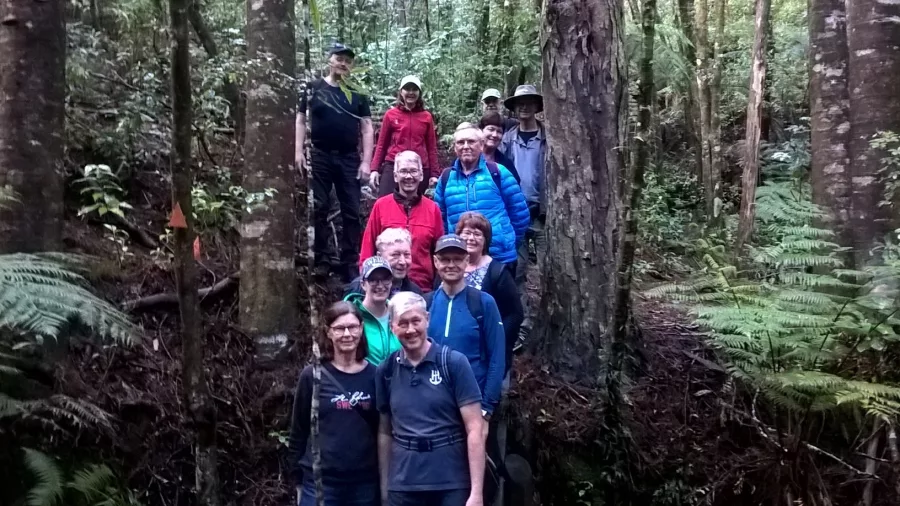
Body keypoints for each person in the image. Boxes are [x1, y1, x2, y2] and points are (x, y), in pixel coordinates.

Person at [376, 291, 486, 506]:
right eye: (403, 323)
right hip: (404, 482)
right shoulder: (386, 370)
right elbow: (384, 431)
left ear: (427, 319)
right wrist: (385, 488)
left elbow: (475, 428)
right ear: (393, 327)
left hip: (451, 480)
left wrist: (476, 492)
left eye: (416, 321)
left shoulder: (453, 363)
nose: (410, 330)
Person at [288, 301, 379, 506]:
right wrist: (297, 479)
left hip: (364, 483)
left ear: (361, 329)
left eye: (352, 327)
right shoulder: (313, 375)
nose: (347, 334)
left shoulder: (375, 375)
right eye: (339, 328)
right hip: (320, 482)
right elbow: (298, 430)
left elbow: (383, 430)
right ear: (328, 333)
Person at [296, 43, 374, 282]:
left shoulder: (358, 93)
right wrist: (298, 151)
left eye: (348, 61)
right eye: (339, 58)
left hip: (349, 157)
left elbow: (367, 127)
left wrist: (366, 162)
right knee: (318, 206)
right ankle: (322, 259)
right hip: (319, 154)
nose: (343, 63)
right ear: (329, 60)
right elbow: (300, 119)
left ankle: (349, 261)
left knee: (351, 209)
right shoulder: (313, 88)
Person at [426, 234, 505, 421]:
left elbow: (497, 356)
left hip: (473, 404)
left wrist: (487, 408)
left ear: (467, 261)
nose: (451, 265)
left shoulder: (483, 303)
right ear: (435, 262)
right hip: (433, 404)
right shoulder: (426, 303)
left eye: (457, 259)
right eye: (445, 259)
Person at [434, 124, 530, 266]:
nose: (466, 146)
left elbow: (520, 214)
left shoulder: (498, 172)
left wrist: (506, 240)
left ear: (481, 145)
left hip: (499, 256)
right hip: (460, 257)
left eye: (471, 141)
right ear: (455, 147)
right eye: (461, 142)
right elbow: (439, 217)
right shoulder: (446, 178)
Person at [500, 84, 547, 348]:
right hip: (514, 214)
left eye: (529, 102)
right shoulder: (507, 140)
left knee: (552, 269)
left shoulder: (549, 138)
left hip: (543, 212)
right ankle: (523, 325)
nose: (524, 107)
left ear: (536, 106)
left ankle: (549, 320)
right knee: (517, 270)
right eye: (520, 103)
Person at [360, 151, 444, 291]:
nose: (409, 176)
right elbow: (367, 249)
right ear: (395, 176)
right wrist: (365, 279)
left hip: (423, 288)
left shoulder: (432, 209)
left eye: (413, 171)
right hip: (386, 287)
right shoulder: (381, 206)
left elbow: (439, 252)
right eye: (403, 171)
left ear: (421, 175)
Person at [456, 212, 522, 376]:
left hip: (487, 355)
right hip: (456, 350)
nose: (471, 238)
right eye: (467, 233)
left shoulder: (498, 272)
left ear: (485, 240)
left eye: (477, 234)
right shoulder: (449, 268)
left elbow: (515, 314)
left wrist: (497, 341)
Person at [370, 76, 441, 197]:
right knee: (386, 202)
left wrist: (434, 174)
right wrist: (374, 169)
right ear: (401, 92)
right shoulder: (391, 115)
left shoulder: (426, 117)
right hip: (393, 164)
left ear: (419, 93)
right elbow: (382, 144)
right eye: (407, 89)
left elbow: (431, 147)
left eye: (414, 89)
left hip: (419, 167)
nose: (411, 93)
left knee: (417, 207)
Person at [344, 257, 400, 366]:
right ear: (363, 284)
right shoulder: (350, 317)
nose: (380, 285)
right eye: (373, 280)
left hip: (399, 380)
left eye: (385, 279)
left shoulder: (400, 313)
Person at [346, 228, 423, 297]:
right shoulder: (358, 289)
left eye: (407, 255)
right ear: (380, 256)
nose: (402, 262)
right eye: (395, 255)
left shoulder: (415, 293)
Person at [478, 112, 519, 184]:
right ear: (481, 130)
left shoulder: (506, 164)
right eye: (491, 129)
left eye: (499, 131)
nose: (495, 135)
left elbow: (514, 190)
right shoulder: (467, 157)